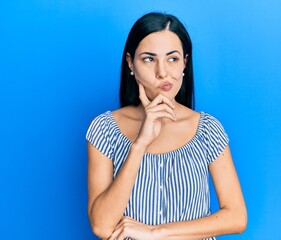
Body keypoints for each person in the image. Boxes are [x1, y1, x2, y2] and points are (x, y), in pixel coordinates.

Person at [86, 12, 247, 240]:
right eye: (149, 59)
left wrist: (155, 233)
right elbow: (102, 226)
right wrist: (140, 144)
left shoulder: (207, 129)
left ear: (185, 63)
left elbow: (237, 217)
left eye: (172, 59)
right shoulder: (104, 129)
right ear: (131, 64)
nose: (163, 72)